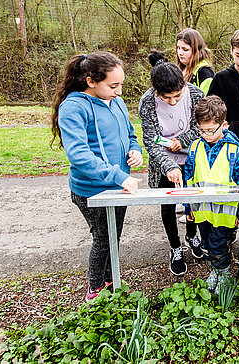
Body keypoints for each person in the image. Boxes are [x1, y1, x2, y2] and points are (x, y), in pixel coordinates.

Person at [51, 51, 143, 301]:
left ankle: (113, 283)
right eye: (113, 85)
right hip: (93, 189)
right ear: (91, 81)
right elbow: (79, 155)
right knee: (103, 239)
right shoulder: (73, 107)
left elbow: (130, 135)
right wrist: (117, 175)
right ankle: (96, 291)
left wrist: (135, 150)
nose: (120, 91)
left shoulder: (118, 102)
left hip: (120, 186)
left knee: (114, 237)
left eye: (121, 84)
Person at [139, 50, 205, 276]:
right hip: (164, 165)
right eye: (166, 98)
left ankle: (192, 236)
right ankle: (175, 247)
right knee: (167, 207)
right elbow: (150, 140)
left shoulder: (196, 94)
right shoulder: (147, 102)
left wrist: (182, 140)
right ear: (156, 92)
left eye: (177, 95)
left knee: (193, 203)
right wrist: (169, 166)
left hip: (192, 158)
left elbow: (202, 127)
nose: (173, 101)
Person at [183, 96, 239, 294]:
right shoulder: (195, 147)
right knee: (206, 243)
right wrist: (188, 207)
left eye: (211, 130)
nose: (206, 134)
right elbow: (189, 178)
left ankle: (223, 272)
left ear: (224, 125)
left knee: (217, 244)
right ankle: (215, 270)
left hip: (225, 212)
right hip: (202, 210)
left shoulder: (235, 149)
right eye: (202, 130)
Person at [176, 28, 215, 95]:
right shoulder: (178, 69)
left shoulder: (204, 73)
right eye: (178, 48)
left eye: (185, 49)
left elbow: (206, 101)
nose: (180, 53)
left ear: (196, 50)